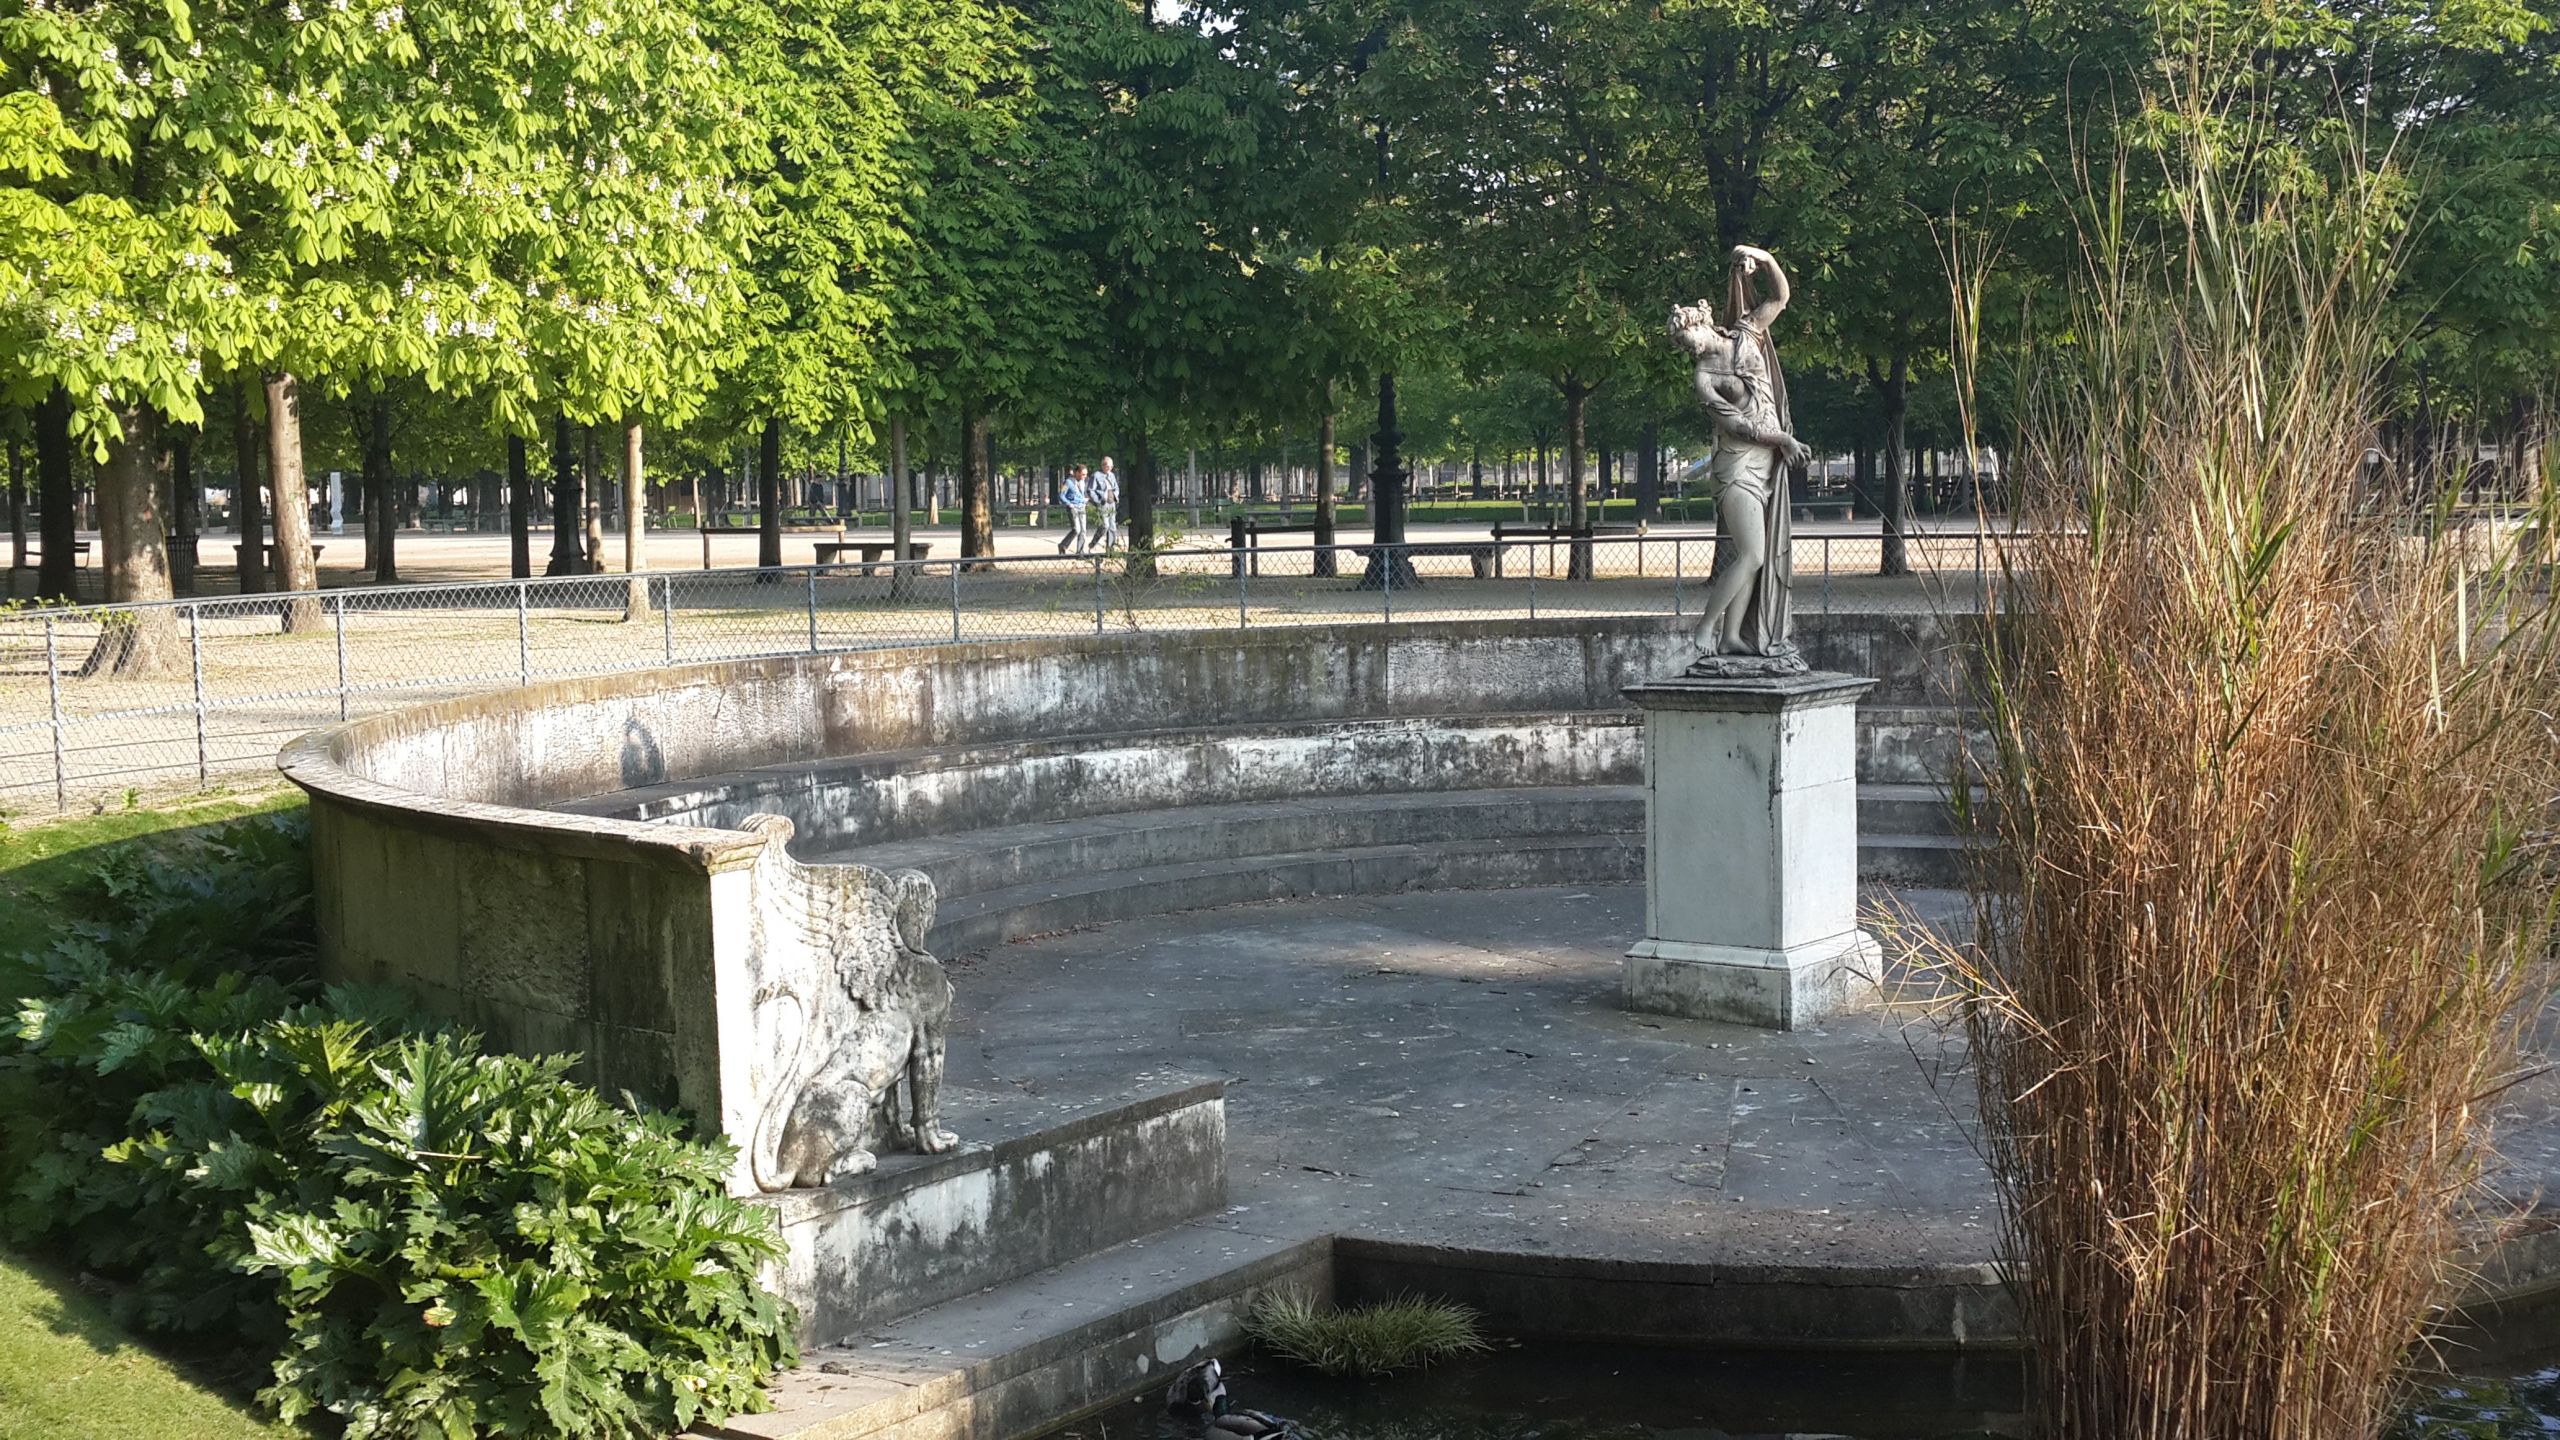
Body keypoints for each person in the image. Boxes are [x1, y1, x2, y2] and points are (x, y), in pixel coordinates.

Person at [1669, 245, 1814, 668]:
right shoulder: (1704, 378)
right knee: (1752, 553)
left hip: (1765, 462)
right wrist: (1784, 440)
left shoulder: (1747, 333)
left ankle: (1732, 636)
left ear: (1701, 323)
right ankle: (1706, 626)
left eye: (1686, 337)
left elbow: (1780, 298)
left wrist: (1764, 257)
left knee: (1758, 556)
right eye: (1680, 344)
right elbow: (1737, 426)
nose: (1685, 347)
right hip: (1737, 467)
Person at [1056, 465, 1090, 555]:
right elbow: (1061, 495)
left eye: (1086, 474)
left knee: (1083, 530)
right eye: (1083, 474)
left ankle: (1080, 551)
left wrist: (1085, 500)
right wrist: (1068, 503)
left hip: (1082, 507)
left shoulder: (1084, 482)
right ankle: (1063, 545)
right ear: (1077, 473)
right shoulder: (1068, 482)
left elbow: (1084, 494)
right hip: (1073, 507)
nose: (1084, 476)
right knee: (1076, 529)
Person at [1091, 456, 1121, 552]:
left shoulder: (1112, 475)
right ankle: (1093, 543)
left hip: (1112, 503)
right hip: (1103, 503)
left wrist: (1115, 496)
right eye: (1108, 466)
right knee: (1105, 525)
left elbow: (1116, 488)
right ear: (1103, 465)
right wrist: (1098, 501)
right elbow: (1091, 490)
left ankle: (1110, 549)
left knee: (1112, 526)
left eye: (1111, 467)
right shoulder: (1096, 475)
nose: (1110, 468)